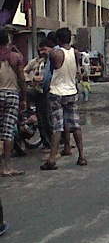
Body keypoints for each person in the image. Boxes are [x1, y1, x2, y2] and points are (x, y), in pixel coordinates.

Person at [41, 28, 87, 170]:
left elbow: (49, 74)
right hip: (71, 92)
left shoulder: (54, 54)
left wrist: (44, 87)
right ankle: (81, 156)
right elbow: (78, 72)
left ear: (58, 40)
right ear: (70, 39)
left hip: (56, 92)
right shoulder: (75, 53)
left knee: (57, 127)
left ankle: (52, 159)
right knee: (75, 125)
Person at [0, 29, 27, 177]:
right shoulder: (15, 57)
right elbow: (22, 79)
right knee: (8, 132)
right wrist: (24, 98)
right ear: (8, 41)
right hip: (11, 94)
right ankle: (7, 166)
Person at [24, 39, 54, 151]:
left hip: (51, 92)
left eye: (44, 49)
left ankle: (53, 144)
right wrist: (31, 79)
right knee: (42, 119)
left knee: (48, 119)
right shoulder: (37, 62)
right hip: (39, 91)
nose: (42, 52)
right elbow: (24, 71)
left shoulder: (55, 60)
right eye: (40, 50)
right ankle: (47, 143)